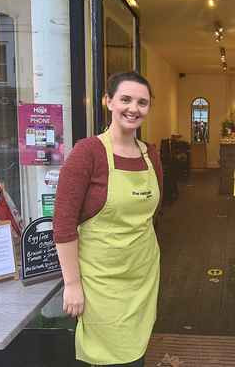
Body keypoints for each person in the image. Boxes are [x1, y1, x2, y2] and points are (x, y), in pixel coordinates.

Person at [53, 71, 163, 367]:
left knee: (135, 354)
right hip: (100, 282)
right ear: (108, 101)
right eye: (125, 99)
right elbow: (63, 225)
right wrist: (72, 283)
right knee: (105, 357)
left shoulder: (150, 154)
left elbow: (153, 213)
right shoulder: (87, 153)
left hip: (142, 275)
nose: (133, 108)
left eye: (142, 102)